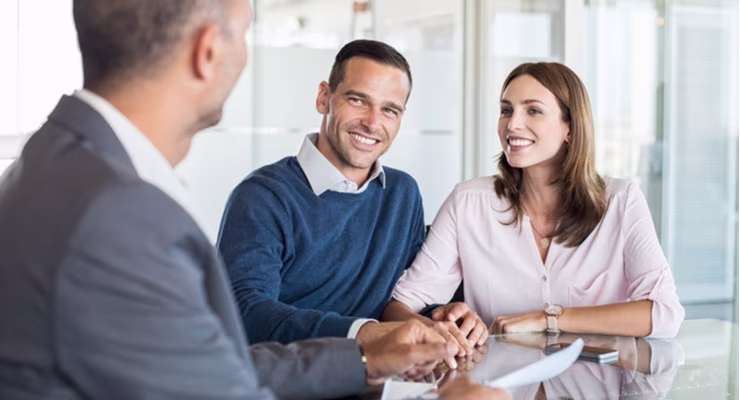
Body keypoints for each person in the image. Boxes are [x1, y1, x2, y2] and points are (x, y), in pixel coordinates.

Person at [0, 1, 507, 399]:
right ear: (207, 51)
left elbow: (201, 365)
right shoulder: (119, 213)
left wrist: (371, 356)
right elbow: (222, 379)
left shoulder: (56, 169)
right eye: (244, 32)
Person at [217, 39, 486, 353]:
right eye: (358, 100)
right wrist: (365, 333)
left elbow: (401, 300)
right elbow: (246, 313)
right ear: (324, 98)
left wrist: (442, 317)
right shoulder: (262, 196)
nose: (373, 122)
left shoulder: (402, 194)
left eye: (389, 110)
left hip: (382, 378)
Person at [385, 62, 685, 339]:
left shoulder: (621, 201)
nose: (512, 124)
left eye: (533, 111)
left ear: (570, 127)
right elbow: (398, 308)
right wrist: (441, 335)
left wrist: (548, 318)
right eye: (506, 110)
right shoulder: (468, 203)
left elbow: (665, 314)